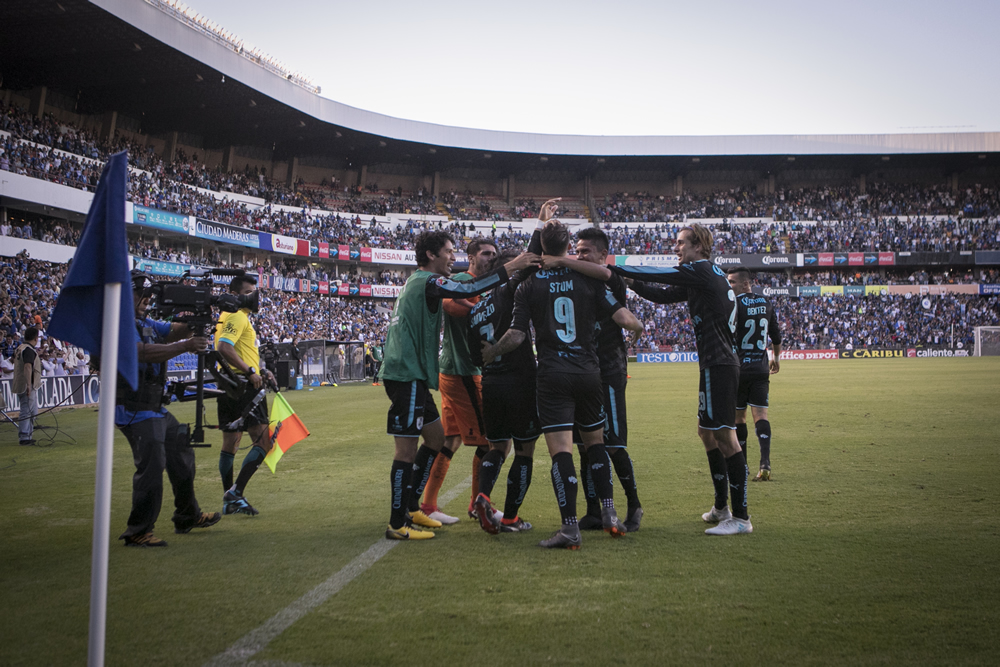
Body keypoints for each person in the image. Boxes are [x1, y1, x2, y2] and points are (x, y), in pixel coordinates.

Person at [483, 214, 643, 550]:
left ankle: (570, 527)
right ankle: (610, 513)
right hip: (590, 373)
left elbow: (516, 335)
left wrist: (492, 352)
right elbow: (624, 318)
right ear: (569, 246)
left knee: (562, 453)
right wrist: (637, 327)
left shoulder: (529, 285)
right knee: (596, 444)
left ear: (542, 246)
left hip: (553, 375)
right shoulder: (589, 280)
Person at [380, 230, 540, 541]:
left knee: (436, 438)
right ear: (431, 255)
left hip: (416, 374)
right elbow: (470, 287)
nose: (453, 258)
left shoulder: (418, 282)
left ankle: (414, 506)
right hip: (406, 373)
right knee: (405, 452)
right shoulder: (428, 281)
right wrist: (514, 265)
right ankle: (397, 524)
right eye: (449, 252)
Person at [612, 224, 753, 536]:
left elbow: (660, 275)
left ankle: (742, 518)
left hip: (719, 363)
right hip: (715, 364)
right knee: (707, 433)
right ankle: (721, 507)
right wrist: (631, 281)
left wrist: (614, 267)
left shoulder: (700, 269)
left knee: (725, 437)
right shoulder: (704, 276)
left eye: (680, 243)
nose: (675, 248)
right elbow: (662, 296)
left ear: (698, 246)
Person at [117, 272, 220, 547]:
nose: (146, 300)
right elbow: (142, 352)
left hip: (154, 408)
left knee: (181, 450)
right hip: (133, 408)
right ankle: (138, 530)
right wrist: (186, 345)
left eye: (149, 296)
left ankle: (187, 515)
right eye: (141, 295)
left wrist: (196, 319)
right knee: (152, 466)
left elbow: (173, 331)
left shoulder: (145, 322)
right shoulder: (119, 323)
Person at [418, 237, 498, 526]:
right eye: (485, 253)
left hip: (453, 371)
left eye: (494, 254)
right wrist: (482, 310)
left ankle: (428, 504)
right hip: (464, 371)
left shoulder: (483, 285)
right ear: (471, 257)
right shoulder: (465, 280)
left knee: (449, 440)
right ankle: (479, 504)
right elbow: (450, 304)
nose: (491, 258)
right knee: (489, 441)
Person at [573, 227, 644, 532]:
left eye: (585, 251)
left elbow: (606, 276)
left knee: (613, 442)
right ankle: (592, 510)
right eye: (577, 250)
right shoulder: (578, 280)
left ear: (603, 254)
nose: (579, 256)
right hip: (583, 371)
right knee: (584, 444)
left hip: (610, 370)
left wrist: (560, 259)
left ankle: (634, 505)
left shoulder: (611, 279)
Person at [466, 249, 540, 534]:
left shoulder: (474, 310)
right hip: (520, 382)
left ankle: (482, 496)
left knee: (497, 448)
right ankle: (510, 518)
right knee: (524, 451)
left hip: (490, 384)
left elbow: (476, 357)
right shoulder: (509, 292)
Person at [214, 275, 274, 517]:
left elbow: (236, 349)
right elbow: (224, 347)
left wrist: (260, 369)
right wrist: (250, 372)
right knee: (263, 442)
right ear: (235, 295)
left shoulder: (226, 317)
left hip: (227, 382)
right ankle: (235, 492)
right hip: (244, 385)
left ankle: (230, 499)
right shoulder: (237, 316)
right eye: (248, 292)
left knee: (230, 443)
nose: (253, 297)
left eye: (254, 292)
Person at [726, 267, 782, 481]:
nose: (729, 285)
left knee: (738, 418)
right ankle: (765, 463)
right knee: (761, 417)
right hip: (760, 368)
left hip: (738, 369)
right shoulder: (766, 303)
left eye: (732, 282)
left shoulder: (734, 304)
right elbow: (776, 336)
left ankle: (743, 466)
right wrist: (776, 359)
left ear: (745, 284)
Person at [12, 326, 41, 446]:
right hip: (26, 385)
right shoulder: (28, 350)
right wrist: (29, 385)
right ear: (35, 338)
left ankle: (28, 434)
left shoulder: (20, 348)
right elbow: (28, 366)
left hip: (20, 383)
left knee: (32, 411)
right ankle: (24, 436)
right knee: (26, 410)